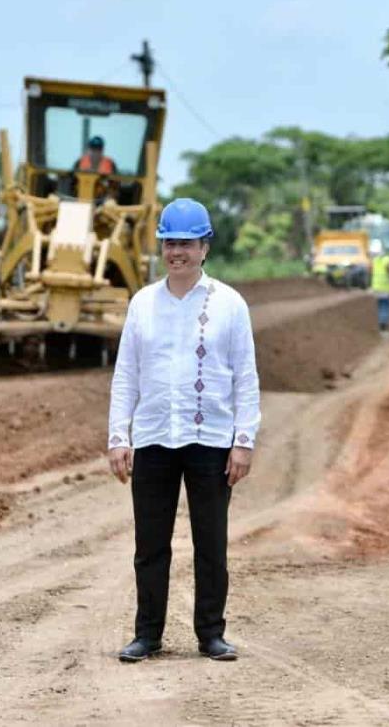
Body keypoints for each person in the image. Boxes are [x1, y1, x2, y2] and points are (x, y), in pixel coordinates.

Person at [108, 198, 260, 663]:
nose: (178, 252)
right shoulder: (142, 304)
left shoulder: (230, 305)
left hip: (211, 441)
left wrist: (244, 441)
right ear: (161, 247)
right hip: (154, 438)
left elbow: (245, 376)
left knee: (210, 544)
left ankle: (211, 634)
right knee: (150, 545)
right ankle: (147, 634)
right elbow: (126, 374)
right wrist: (119, 436)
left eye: (187, 244)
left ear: (204, 247)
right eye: (170, 243)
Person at [370, 244, 389, 338]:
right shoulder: (388, 261)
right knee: (385, 307)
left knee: (380, 307)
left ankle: (381, 326)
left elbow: (371, 272)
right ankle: (384, 328)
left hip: (377, 288)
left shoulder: (375, 260)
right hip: (386, 288)